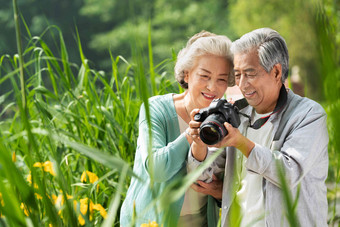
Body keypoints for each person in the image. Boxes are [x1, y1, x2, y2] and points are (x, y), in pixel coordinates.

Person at [188, 28, 329, 227]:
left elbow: (288, 173)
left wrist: (240, 142)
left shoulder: (308, 115)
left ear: (276, 72)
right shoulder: (238, 114)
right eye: (237, 75)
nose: (243, 84)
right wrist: (198, 143)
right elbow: (202, 178)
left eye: (250, 73)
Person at [119, 31, 234, 227]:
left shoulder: (224, 117)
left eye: (221, 79)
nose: (212, 87)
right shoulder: (156, 109)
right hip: (150, 221)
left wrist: (220, 190)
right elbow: (157, 170)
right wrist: (190, 134)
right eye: (204, 76)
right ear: (187, 74)